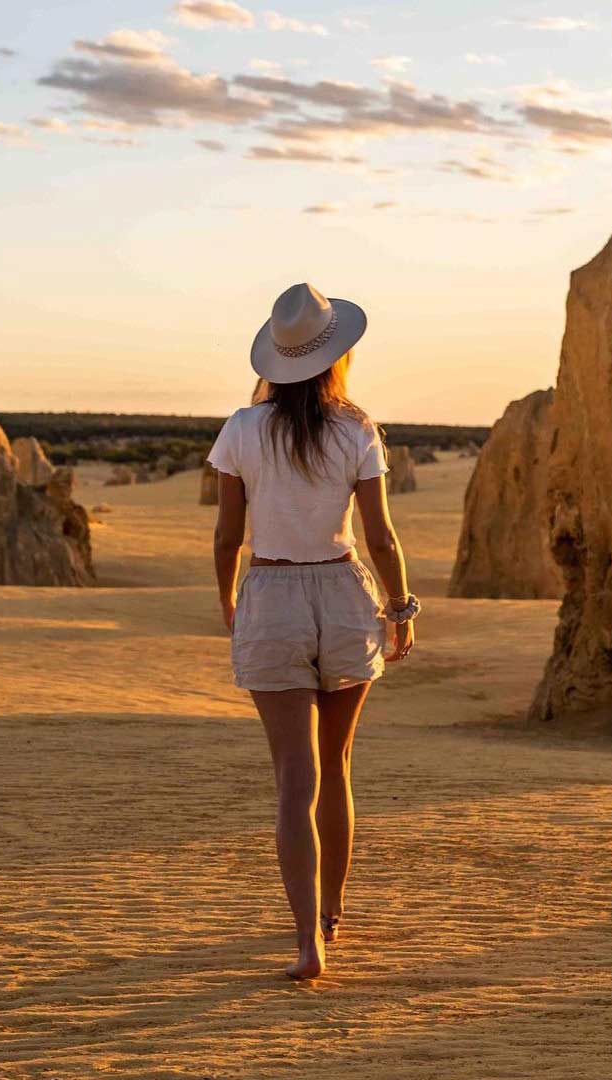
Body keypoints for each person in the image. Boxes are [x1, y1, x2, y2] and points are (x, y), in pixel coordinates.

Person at [208, 282, 420, 980]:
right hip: (344, 589)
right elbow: (381, 537)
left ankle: (308, 942)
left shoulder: (242, 429)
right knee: (337, 769)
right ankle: (332, 911)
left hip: (270, 592)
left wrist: (231, 603)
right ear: (335, 356)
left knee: (293, 781)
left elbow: (226, 535)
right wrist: (400, 607)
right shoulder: (357, 428)